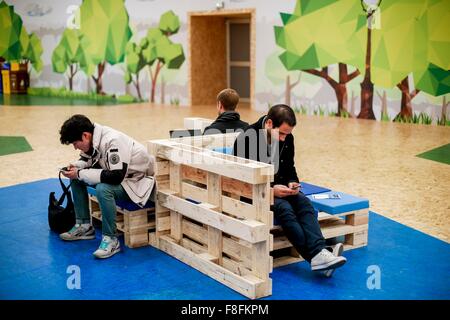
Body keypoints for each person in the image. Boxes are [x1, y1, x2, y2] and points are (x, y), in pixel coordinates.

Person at [233, 104, 346, 276]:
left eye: (288, 134)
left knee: (304, 203)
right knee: (284, 209)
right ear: (270, 124)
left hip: (279, 190)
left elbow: (290, 168)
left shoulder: (287, 138)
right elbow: (241, 180)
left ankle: (320, 255)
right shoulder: (246, 138)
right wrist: (270, 190)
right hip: (253, 194)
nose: (285, 138)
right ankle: (318, 255)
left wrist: (293, 182)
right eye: (282, 133)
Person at [58, 114, 155, 259]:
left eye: (75, 143)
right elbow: (88, 159)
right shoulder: (94, 138)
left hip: (136, 181)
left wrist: (80, 173)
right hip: (122, 177)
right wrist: (76, 167)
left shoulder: (112, 141)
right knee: (77, 178)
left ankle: (111, 239)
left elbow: (116, 176)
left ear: (85, 135)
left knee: (103, 189)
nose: (75, 147)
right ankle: (84, 226)